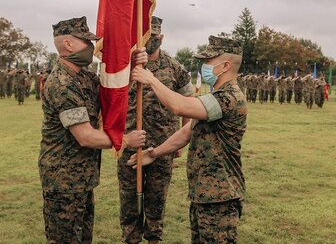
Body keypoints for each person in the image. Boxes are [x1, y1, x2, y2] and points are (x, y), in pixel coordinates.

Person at [128, 35, 247, 244]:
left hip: (221, 197)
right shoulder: (216, 96)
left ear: (226, 65)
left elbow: (179, 106)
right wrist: (154, 153)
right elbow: (187, 132)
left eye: (208, 62)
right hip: (205, 194)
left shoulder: (230, 97)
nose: (204, 66)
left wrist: (151, 79)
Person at [39, 16, 147, 244]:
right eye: (86, 41)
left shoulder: (84, 77)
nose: (91, 47)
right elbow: (85, 137)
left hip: (81, 178)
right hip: (64, 181)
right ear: (68, 44)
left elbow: (114, 90)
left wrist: (132, 61)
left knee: (83, 237)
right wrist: (125, 141)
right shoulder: (62, 83)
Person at [117, 16, 194, 244]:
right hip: (131, 143)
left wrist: (180, 141)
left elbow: (187, 100)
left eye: (154, 36)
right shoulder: (125, 65)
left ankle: (154, 239)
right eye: (146, 36)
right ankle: (131, 239)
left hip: (163, 145)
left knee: (157, 198)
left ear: (162, 38)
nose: (150, 40)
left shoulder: (174, 67)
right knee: (129, 199)